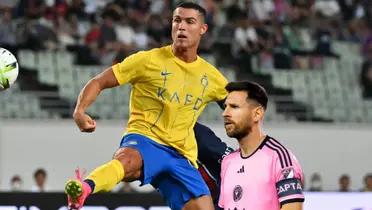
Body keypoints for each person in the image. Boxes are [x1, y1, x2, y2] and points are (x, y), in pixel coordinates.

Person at [65, 2, 228, 210]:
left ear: (203, 29)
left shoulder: (212, 77)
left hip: (182, 155)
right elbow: (99, 81)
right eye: (177, 20)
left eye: (190, 22)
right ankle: (85, 188)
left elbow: (236, 106)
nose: (182, 27)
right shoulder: (147, 60)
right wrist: (79, 111)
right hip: (145, 140)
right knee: (127, 162)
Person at [218, 81, 304, 210]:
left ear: (257, 114)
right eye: (225, 107)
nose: (225, 113)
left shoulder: (280, 158)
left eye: (234, 107)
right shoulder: (227, 162)